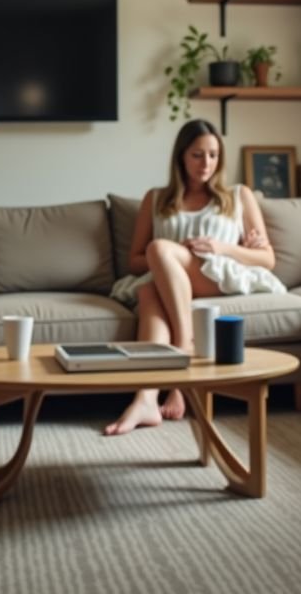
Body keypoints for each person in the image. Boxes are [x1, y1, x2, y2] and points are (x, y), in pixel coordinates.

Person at [104, 119, 285, 435]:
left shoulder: (238, 196)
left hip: (216, 276)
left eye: (213, 155)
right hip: (167, 281)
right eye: (198, 155)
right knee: (148, 290)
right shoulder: (156, 199)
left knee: (159, 248)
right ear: (181, 157)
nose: (207, 164)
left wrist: (222, 247)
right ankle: (146, 397)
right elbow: (134, 261)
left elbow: (267, 259)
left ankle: (184, 350)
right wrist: (171, 257)